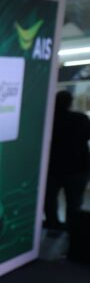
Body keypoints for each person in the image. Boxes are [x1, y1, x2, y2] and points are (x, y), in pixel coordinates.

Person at [45, 90, 90, 232]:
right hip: (78, 168)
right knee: (74, 202)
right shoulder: (81, 119)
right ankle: (72, 230)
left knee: (49, 200)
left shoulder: (48, 119)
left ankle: (52, 224)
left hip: (53, 167)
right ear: (70, 102)